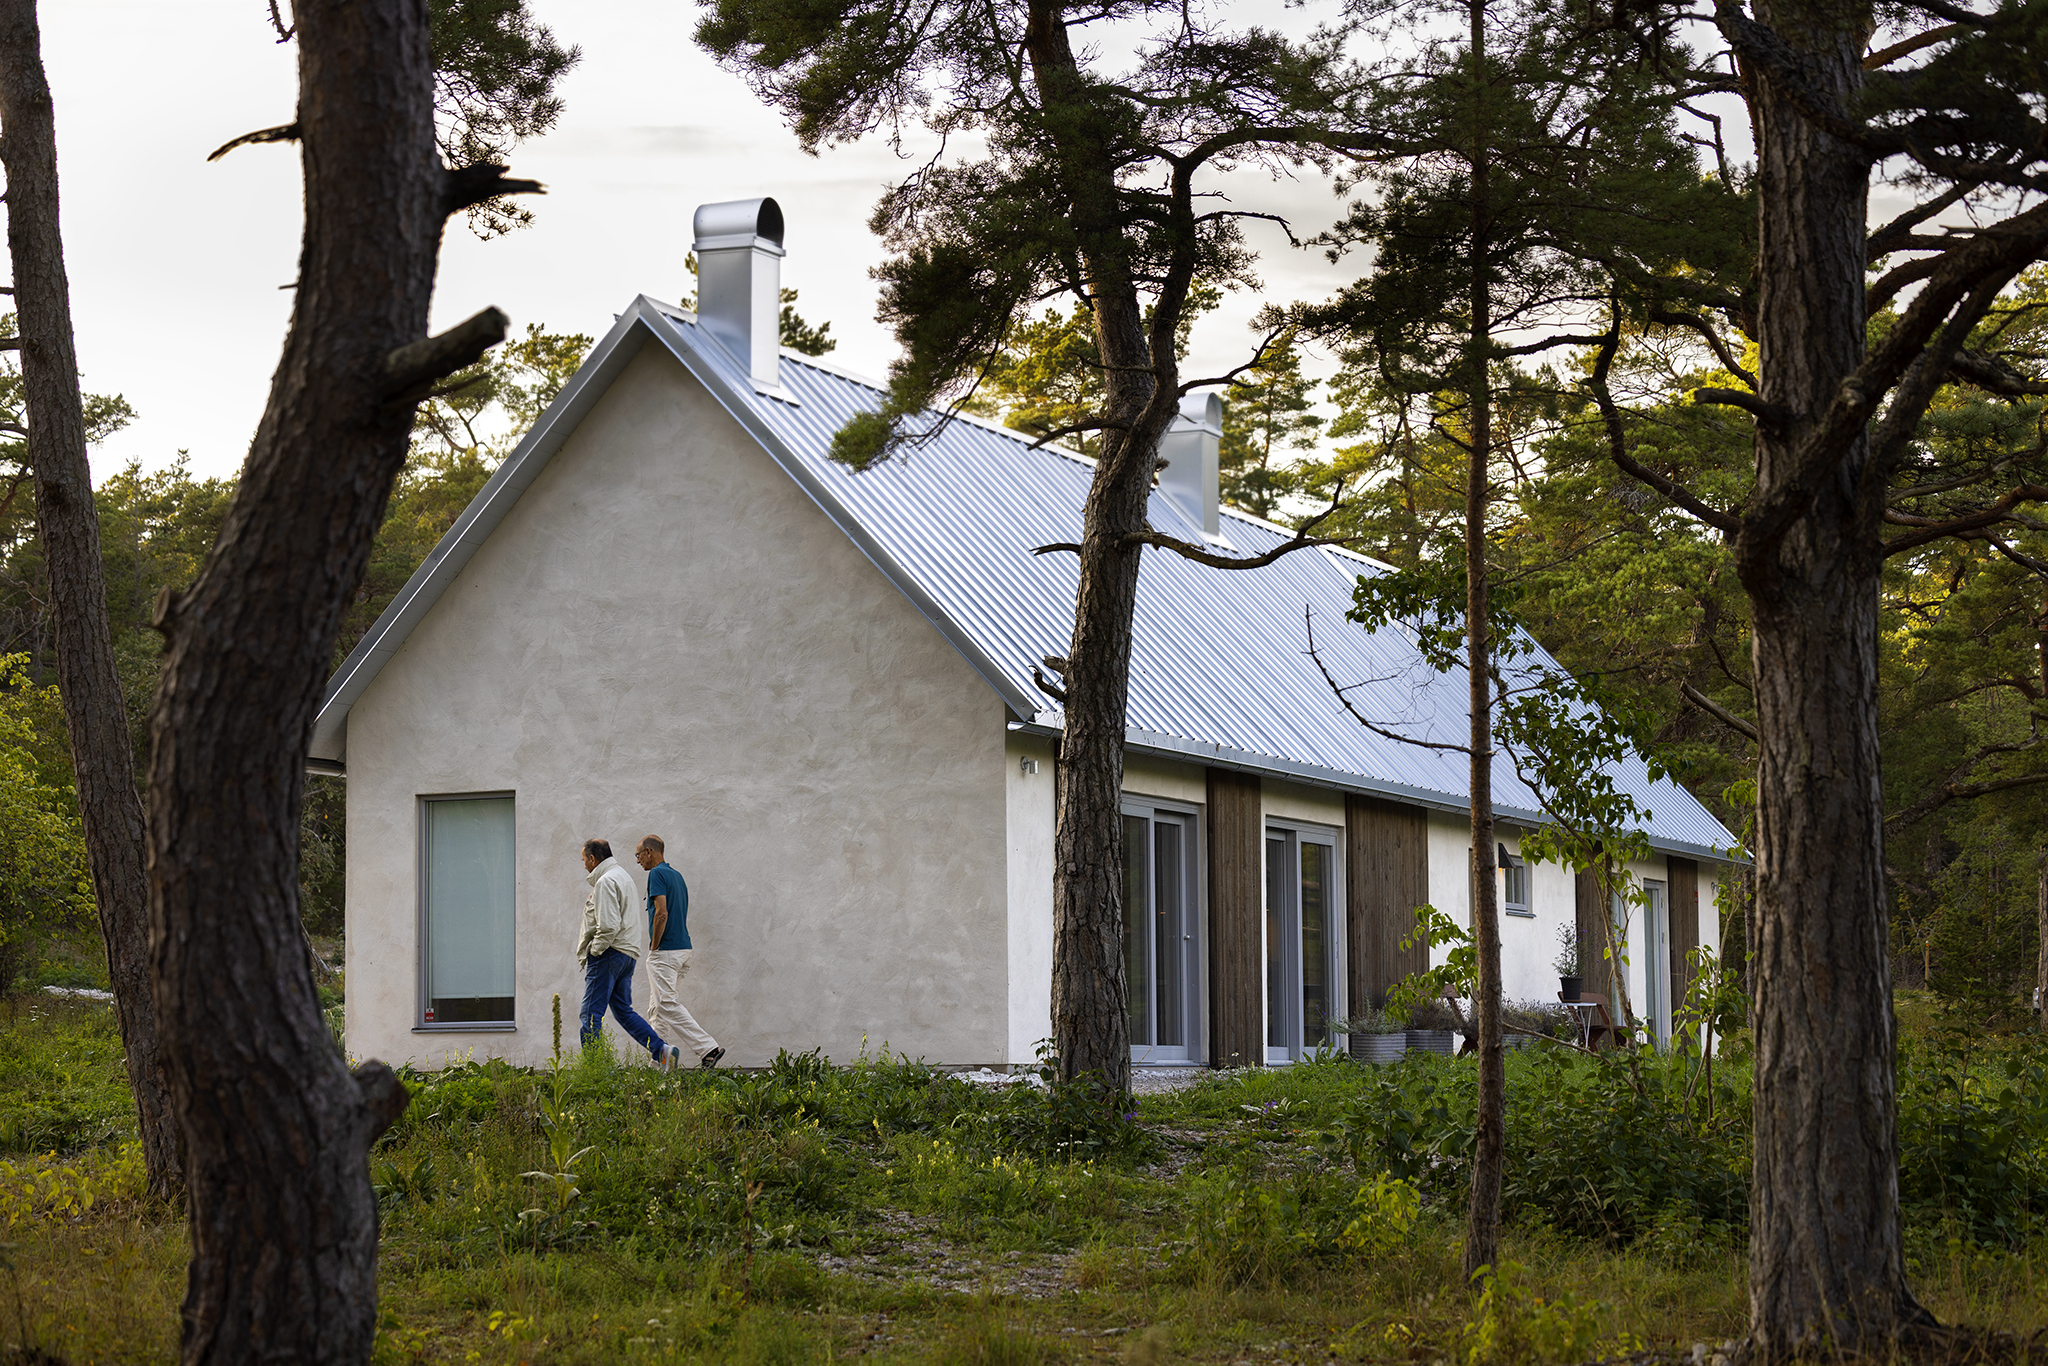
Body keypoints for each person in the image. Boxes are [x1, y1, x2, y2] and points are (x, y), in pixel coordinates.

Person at [576, 838, 680, 1070]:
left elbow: (608, 926)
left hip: (609, 954)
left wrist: (594, 951)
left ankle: (595, 1071)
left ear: (592, 859)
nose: (583, 865)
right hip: (627, 955)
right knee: (623, 1011)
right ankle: (662, 1051)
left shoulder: (605, 881)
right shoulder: (623, 877)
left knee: (590, 1013)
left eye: (584, 860)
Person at [635, 835, 724, 1068]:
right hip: (683, 950)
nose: (637, 860)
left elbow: (661, 913)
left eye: (638, 855)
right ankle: (660, 1065)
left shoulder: (656, 874)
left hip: (665, 951)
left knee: (666, 1003)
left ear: (649, 852)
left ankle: (708, 1048)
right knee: (658, 1009)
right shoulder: (677, 876)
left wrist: (654, 946)